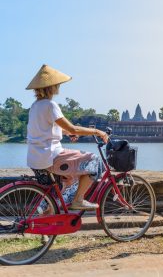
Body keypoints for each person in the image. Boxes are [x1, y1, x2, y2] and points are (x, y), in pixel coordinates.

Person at [26, 64, 108, 210]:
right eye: (57, 84)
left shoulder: (35, 106)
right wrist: (97, 132)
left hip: (35, 159)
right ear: (52, 87)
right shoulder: (50, 105)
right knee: (94, 160)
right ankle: (78, 200)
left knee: (70, 179)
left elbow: (45, 130)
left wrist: (67, 133)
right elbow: (72, 127)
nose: (58, 87)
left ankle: (48, 209)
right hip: (50, 157)